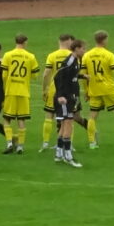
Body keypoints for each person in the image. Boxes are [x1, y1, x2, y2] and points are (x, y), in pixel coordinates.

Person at [44, 37, 84, 167]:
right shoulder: (70, 61)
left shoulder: (76, 60)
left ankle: (59, 153)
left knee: (63, 125)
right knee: (68, 125)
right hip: (65, 98)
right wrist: (60, 95)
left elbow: (70, 76)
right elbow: (58, 77)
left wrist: (82, 76)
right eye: (83, 48)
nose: (84, 51)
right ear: (77, 48)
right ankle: (68, 156)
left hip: (70, 97)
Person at [0, 34, 39, 153]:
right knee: (21, 120)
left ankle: (9, 143)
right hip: (24, 91)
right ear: (25, 42)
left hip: (10, 91)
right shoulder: (30, 56)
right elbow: (35, 76)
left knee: (7, 119)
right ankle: (21, 146)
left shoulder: (8, 55)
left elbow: (4, 75)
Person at [41, 34, 76, 151]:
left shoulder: (52, 55)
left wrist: (44, 89)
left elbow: (46, 74)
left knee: (49, 116)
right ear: (69, 41)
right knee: (68, 118)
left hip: (53, 88)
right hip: (67, 90)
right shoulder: (72, 55)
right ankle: (68, 144)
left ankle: (45, 143)